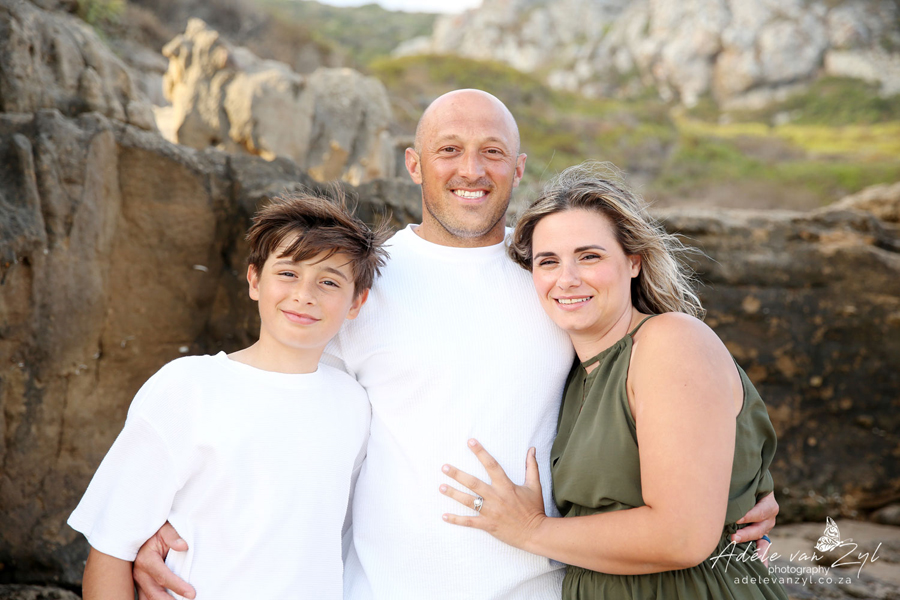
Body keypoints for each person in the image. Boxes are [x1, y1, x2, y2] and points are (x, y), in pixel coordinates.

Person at [132, 90, 779, 600]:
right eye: (449, 150)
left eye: (492, 152)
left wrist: (741, 487)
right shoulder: (358, 288)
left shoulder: (548, 282)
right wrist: (182, 510)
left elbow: (665, 395)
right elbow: (284, 409)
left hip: (546, 590)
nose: (471, 169)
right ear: (414, 164)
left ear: (517, 169)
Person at [439, 163, 788, 599]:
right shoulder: (571, 372)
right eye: (548, 261)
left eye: (590, 256)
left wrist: (530, 530)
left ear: (634, 262)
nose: (567, 279)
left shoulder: (671, 341)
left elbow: (682, 537)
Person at [68, 190, 390, 600]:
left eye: (328, 282)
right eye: (288, 273)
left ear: (356, 302)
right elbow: (111, 546)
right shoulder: (188, 387)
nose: (304, 294)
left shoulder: (354, 404)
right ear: (254, 280)